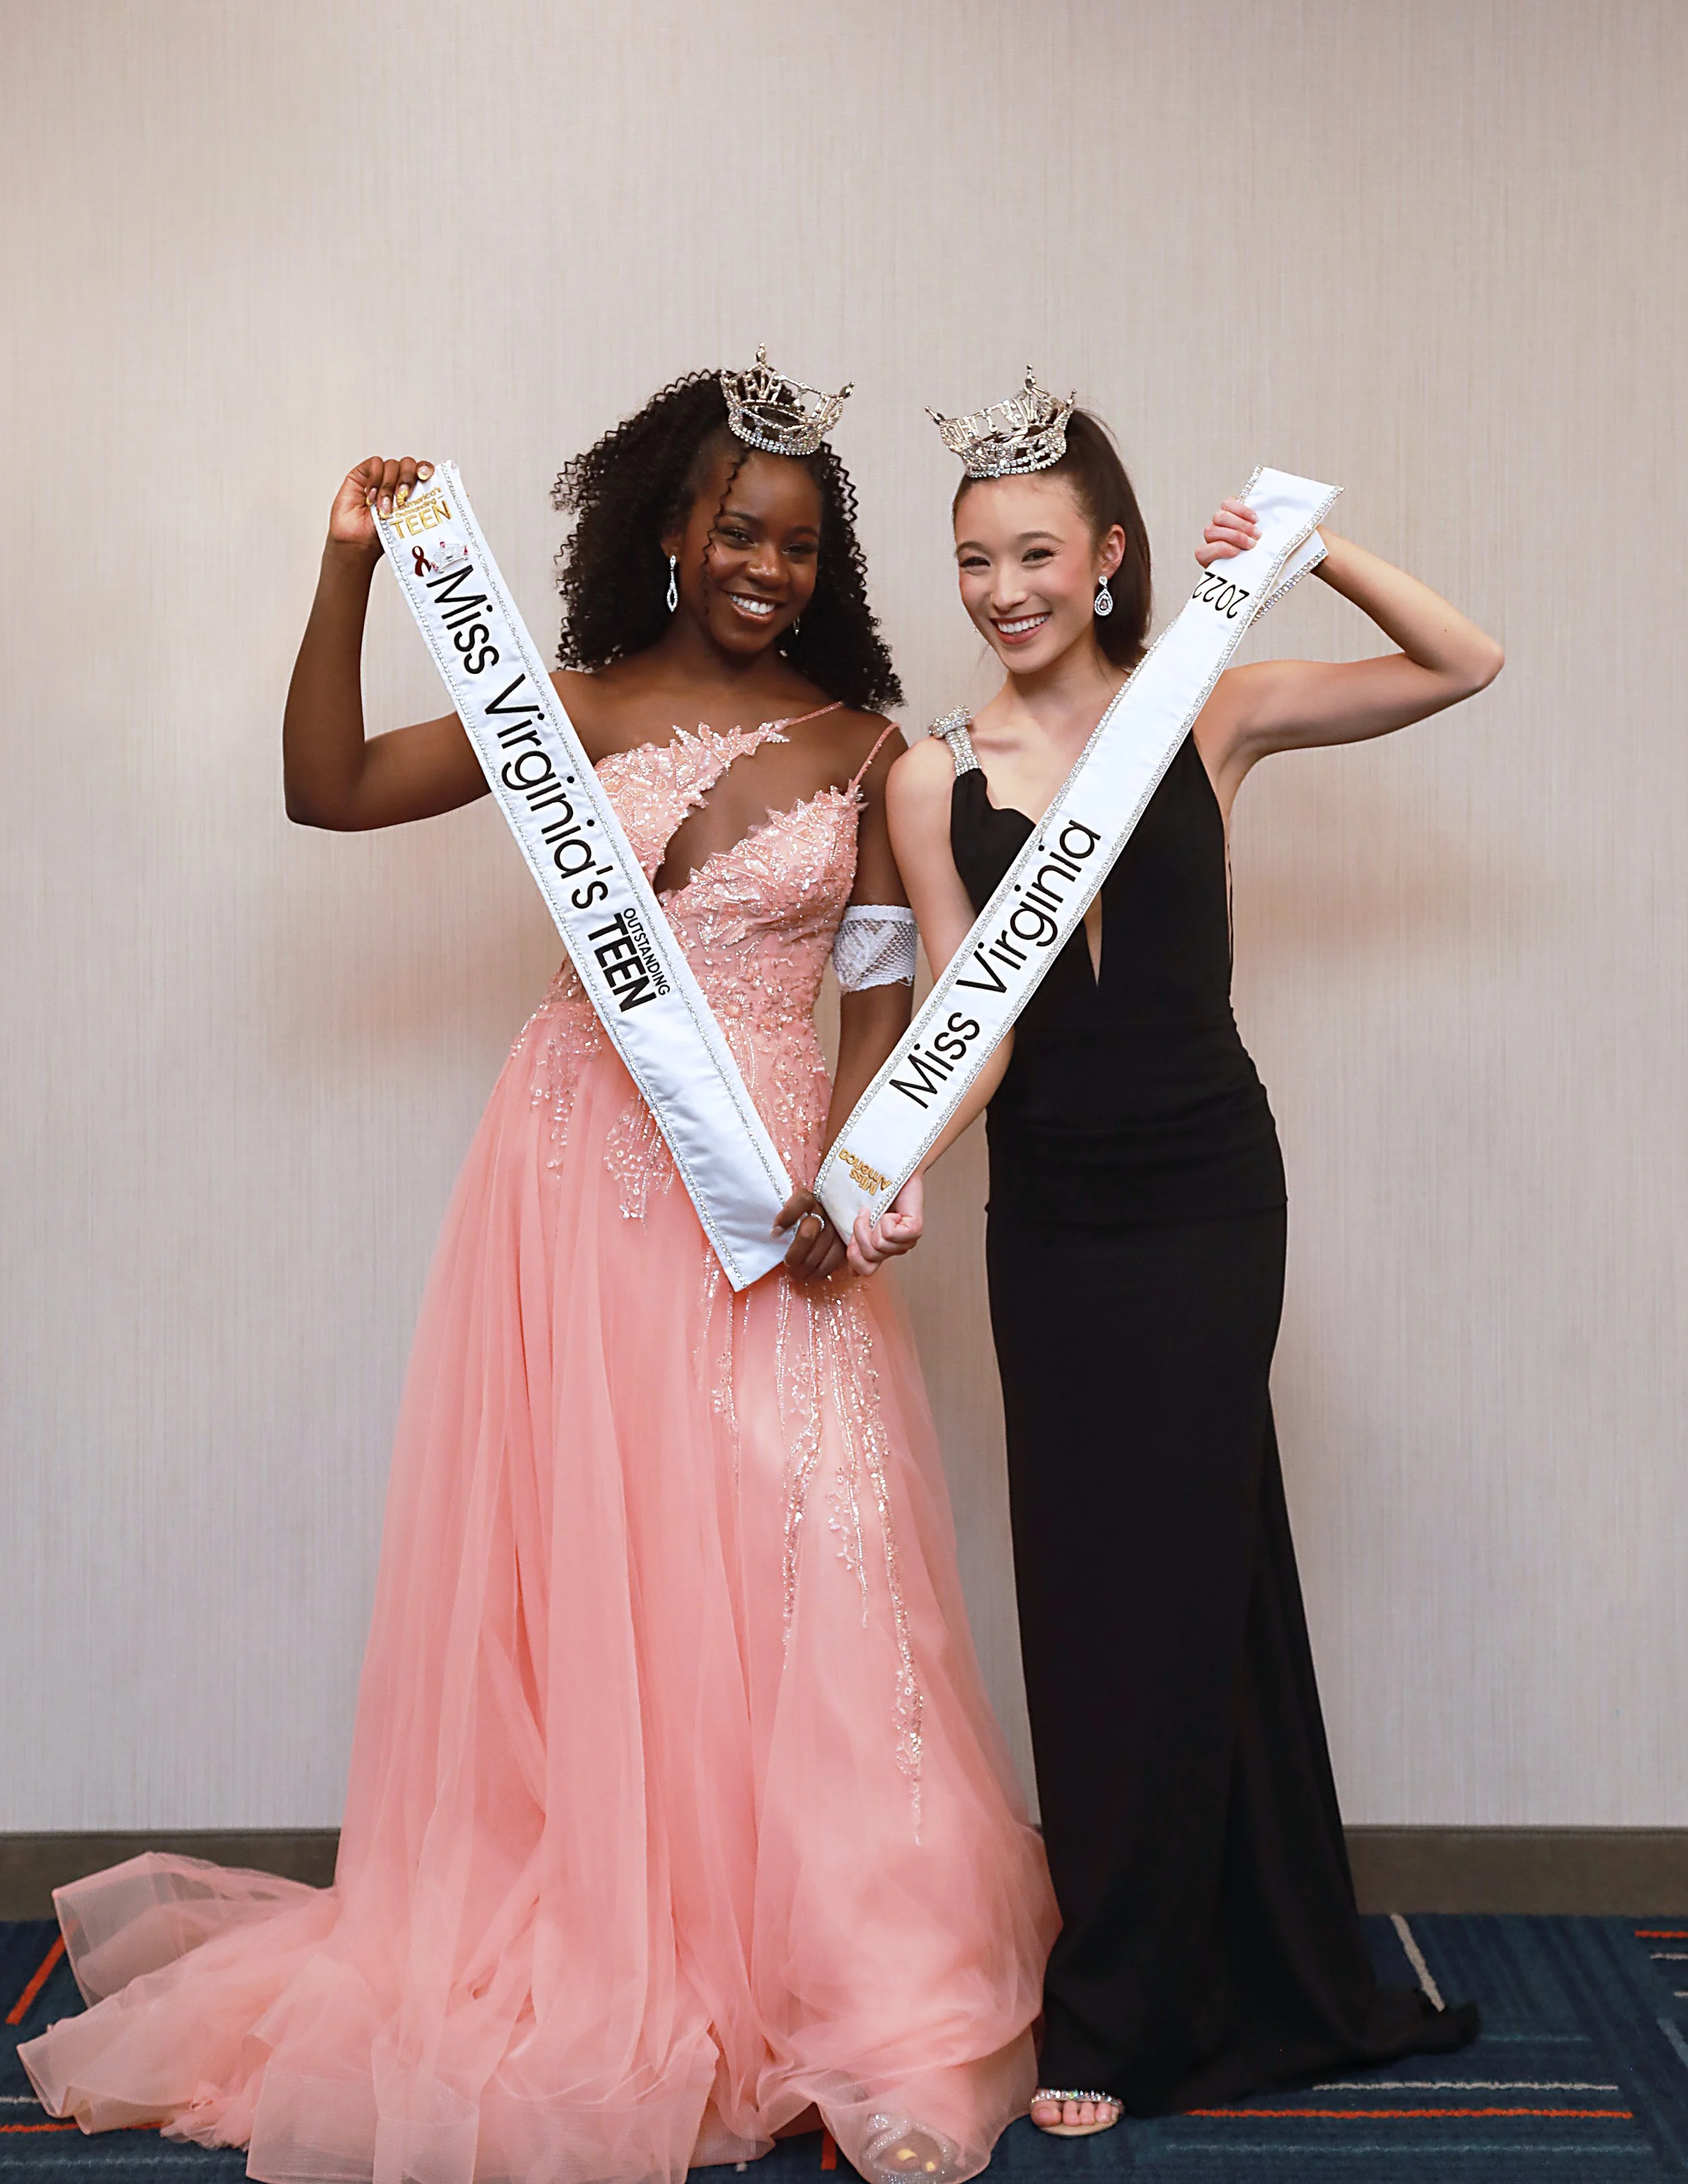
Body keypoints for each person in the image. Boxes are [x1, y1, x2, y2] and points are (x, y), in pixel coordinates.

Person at [21, 360, 1056, 2184]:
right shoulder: (562, 706)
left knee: (797, 1569)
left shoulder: (871, 745)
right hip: (577, 1181)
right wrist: (349, 565)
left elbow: (890, 1001)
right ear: (671, 530)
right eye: (736, 529)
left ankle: (827, 1970)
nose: (764, 566)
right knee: (589, 1571)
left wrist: (859, 1174)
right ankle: (604, 1946)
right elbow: (326, 789)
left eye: (797, 545)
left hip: (768, 1214)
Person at [855, 378, 1502, 2133]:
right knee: (1090, 1589)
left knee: (1189, 1560)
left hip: (1212, 1195)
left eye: (1038, 552)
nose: (1004, 587)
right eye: (977, 558)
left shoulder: (1201, 711)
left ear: (1112, 555)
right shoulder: (932, 775)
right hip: (1051, 1213)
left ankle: (1139, 2012)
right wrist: (895, 1161)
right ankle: (1159, 1967)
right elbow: (960, 1020)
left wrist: (1303, 549)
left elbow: (1461, 663)